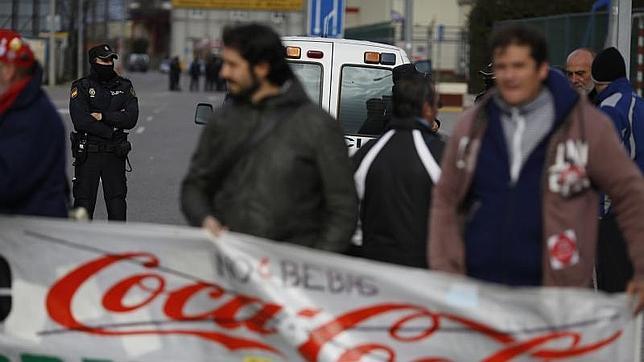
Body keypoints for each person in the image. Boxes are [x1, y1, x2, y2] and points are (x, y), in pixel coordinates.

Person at [429, 25, 644, 311]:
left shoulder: (586, 125)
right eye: (503, 66)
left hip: (555, 293)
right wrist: (445, 268)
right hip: (484, 290)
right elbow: (446, 199)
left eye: (519, 66)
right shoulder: (474, 125)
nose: (509, 75)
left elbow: (630, 192)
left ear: (541, 69)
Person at [181, 23, 357, 252]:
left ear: (262, 68)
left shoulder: (317, 126)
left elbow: (343, 209)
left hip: (290, 278)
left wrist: (312, 263)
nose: (223, 72)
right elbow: (194, 186)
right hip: (229, 268)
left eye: (233, 65)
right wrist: (205, 219)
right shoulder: (222, 120)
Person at [352, 69, 445, 267]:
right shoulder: (440, 155)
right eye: (437, 105)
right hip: (422, 271)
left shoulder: (366, 154)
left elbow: (350, 215)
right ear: (427, 108)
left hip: (372, 270)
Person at [591, 47, 644, 292]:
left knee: (612, 288)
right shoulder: (639, 103)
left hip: (616, 215)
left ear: (597, 79)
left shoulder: (609, 109)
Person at [0, 30, 67, 217]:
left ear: (7, 71)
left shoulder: (33, 118)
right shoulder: (12, 106)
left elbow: (6, 183)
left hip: (31, 236)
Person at [69, 44, 138, 221]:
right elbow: (80, 120)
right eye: (104, 60)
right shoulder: (82, 86)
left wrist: (102, 115)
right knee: (82, 209)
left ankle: (117, 248)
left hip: (114, 155)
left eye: (110, 60)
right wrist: (111, 129)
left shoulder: (124, 86)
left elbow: (131, 118)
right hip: (88, 155)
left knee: (117, 208)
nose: (108, 63)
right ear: (93, 62)